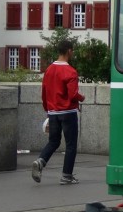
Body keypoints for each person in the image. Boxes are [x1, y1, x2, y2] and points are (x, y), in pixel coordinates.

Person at [32, 39, 85, 185]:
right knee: (71, 144)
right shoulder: (70, 71)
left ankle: (40, 161)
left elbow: (44, 93)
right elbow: (73, 94)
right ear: (69, 51)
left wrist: (48, 111)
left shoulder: (49, 70)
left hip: (53, 112)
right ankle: (66, 176)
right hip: (68, 112)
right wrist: (82, 97)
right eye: (72, 51)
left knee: (53, 141)